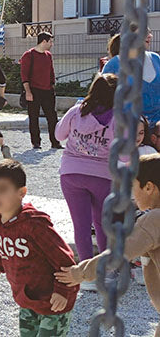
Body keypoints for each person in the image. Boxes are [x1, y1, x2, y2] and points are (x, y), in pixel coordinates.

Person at [55, 154, 160, 337]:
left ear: (149, 187)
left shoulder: (153, 220)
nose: (132, 195)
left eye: (133, 187)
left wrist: (79, 273)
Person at [0, 159, 79, 336]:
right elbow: (5, 250)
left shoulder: (34, 224)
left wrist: (63, 291)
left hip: (53, 301)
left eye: (2, 190)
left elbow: (64, 258)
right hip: (27, 299)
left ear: (21, 193)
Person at [54, 74, 117, 284]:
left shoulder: (76, 111)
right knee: (102, 224)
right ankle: (105, 270)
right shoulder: (119, 118)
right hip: (103, 176)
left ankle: (86, 275)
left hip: (71, 173)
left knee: (81, 225)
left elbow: (58, 136)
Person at [102, 30, 160, 125]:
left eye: (149, 33)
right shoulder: (114, 64)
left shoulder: (155, 58)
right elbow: (102, 96)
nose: (150, 36)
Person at [21, 32, 62, 150]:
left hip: (48, 90)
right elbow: (24, 75)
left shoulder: (48, 55)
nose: (52, 44)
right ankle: (36, 142)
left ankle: (55, 142)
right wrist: (28, 91)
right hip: (33, 90)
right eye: (50, 41)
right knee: (33, 117)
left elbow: (51, 72)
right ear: (44, 41)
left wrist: (52, 85)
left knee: (52, 117)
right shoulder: (28, 55)